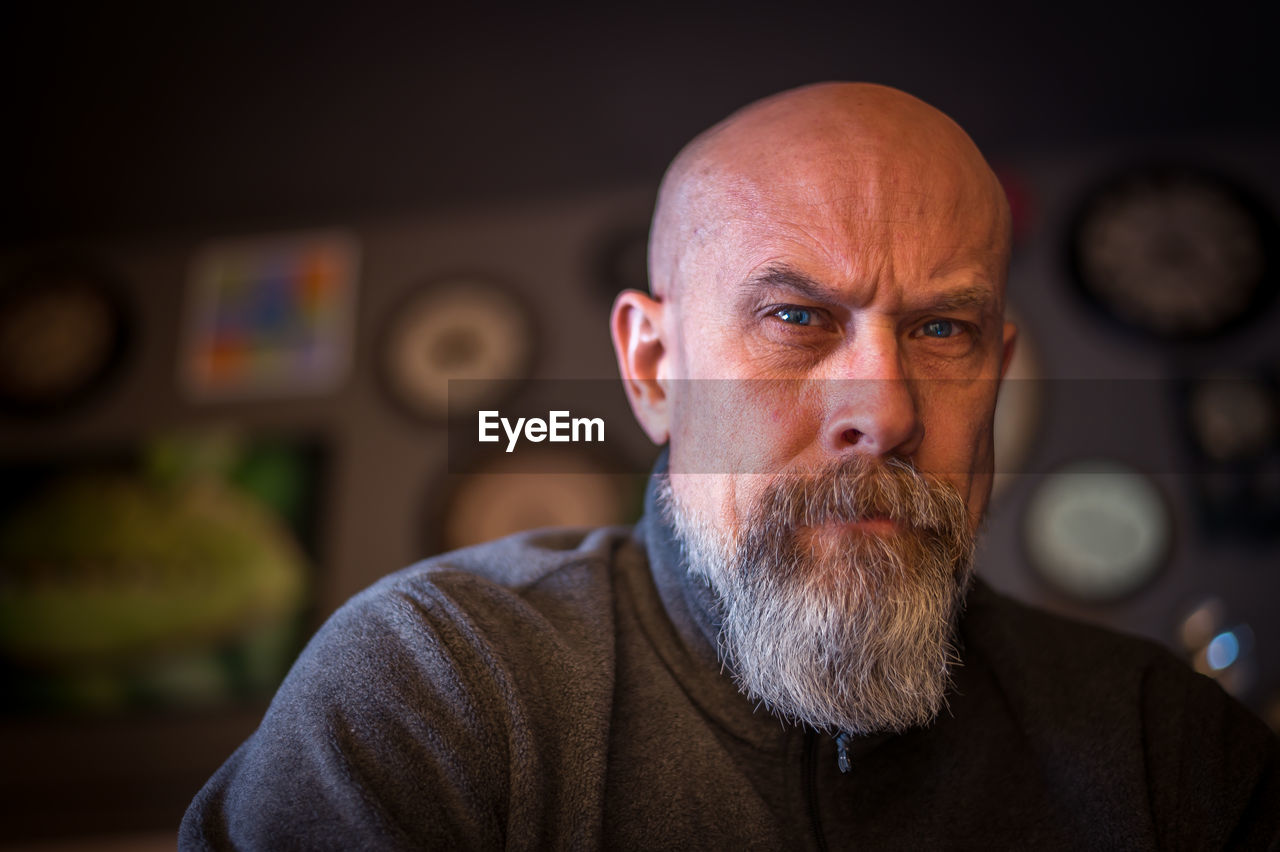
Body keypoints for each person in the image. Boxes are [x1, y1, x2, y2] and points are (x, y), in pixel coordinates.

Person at [180, 83, 1280, 850]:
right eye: (796, 317)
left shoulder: (1157, 750)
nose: (883, 413)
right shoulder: (438, 690)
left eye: (942, 331)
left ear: (996, 366)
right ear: (653, 369)